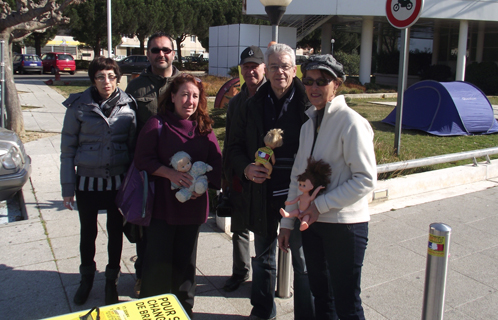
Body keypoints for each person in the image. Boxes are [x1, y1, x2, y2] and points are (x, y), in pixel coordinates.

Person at [278, 54, 377, 320]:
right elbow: (297, 177)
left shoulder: (351, 122)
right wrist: (287, 224)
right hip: (312, 225)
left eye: (322, 81)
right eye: (308, 81)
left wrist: (319, 206)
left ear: (337, 85)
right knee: (321, 298)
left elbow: (365, 179)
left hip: (345, 227)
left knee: (347, 303)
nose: (313, 87)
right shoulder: (309, 124)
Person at [228, 43, 315, 320]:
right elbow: (233, 147)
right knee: (263, 260)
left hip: (299, 196)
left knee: (301, 262)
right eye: (274, 66)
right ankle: (263, 312)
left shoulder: (310, 103)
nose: (280, 72)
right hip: (262, 193)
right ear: (267, 68)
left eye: (285, 66)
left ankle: (305, 315)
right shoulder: (251, 103)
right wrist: (246, 169)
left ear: (295, 69)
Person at [133, 74, 222, 317]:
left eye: (195, 96)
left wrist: (201, 185)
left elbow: (218, 165)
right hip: (162, 210)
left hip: (191, 211)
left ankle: (184, 310)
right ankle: (154, 311)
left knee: (185, 267)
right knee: (157, 265)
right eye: (184, 94)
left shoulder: (204, 128)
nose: (189, 101)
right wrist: (169, 174)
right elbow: (142, 159)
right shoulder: (157, 123)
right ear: (172, 97)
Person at [60, 56, 137, 306]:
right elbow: (67, 149)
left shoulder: (128, 106)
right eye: (101, 77)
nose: (107, 82)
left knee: (115, 233)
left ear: (118, 78)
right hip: (87, 182)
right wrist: (67, 187)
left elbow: (133, 146)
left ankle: (111, 281)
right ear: (93, 79)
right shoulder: (78, 106)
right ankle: (86, 279)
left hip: (117, 181)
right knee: (88, 233)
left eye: (112, 76)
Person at [125, 32, 180, 297]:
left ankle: (171, 277)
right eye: (155, 50)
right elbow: (128, 130)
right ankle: (142, 277)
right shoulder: (136, 87)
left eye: (166, 50)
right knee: (144, 228)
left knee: (174, 228)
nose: (161, 54)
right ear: (147, 53)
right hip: (147, 171)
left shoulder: (185, 82)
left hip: (179, 170)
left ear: (173, 53)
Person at [222, 45, 266, 292]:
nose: (250, 71)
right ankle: (240, 271)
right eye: (246, 67)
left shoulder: (271, 97)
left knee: (263, 230)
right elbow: (229, 140)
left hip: (265, 175)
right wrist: (226, 174)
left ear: (264, 69)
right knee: (238, 226)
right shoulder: (236, 102)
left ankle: (264, 275)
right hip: (239, 172)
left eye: (255, 66)